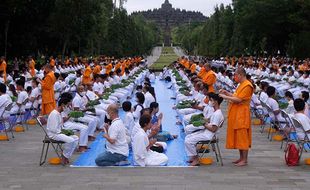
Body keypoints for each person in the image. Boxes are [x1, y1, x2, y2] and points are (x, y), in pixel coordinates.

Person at [219, 67, 254, 166]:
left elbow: (239, 100)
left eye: (235, 75)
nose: (234, 77)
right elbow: (236, 96)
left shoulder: (248, 85)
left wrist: (225, 97)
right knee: (238, 136)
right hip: (237, 113)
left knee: (242, 136)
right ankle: (241, 158)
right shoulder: (241, 85)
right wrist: (227, 93)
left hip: (242, 114)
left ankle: (245, 159)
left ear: (241, 75)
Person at [184, 93, 224, 166]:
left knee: (188, 141)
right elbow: (210, 121)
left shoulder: (217, 114)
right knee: (188, 137)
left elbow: (213, 129)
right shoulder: (216, 112)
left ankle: (196, 159)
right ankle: (193, 157)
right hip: (206, 132)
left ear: (215, 102)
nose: (210, 101)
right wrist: (204, 120)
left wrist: (204, 124)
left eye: (211, 100)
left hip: (210, 135)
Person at [46, 97, 79, 165]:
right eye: (67, 106)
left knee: (76, 138)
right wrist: (63, 132)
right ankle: (64, 156)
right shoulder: (54, 114)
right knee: (71, 140)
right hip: (54, 134)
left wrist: (66, 132)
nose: (67, 108)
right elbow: (53, 129)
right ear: (62, 105)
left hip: (59, 132)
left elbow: (60, 125)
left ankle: (66, 156)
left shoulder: (59, 113)